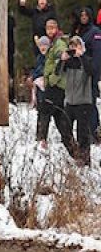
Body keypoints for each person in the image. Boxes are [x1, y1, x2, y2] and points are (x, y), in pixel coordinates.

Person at [41, 18, 77, 156]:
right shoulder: (52, 43)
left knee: (45, 111)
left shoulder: (59, 42)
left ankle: (41, 140)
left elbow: (61, 53)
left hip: (56, 85)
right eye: (47, 28)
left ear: (56, 28)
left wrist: (53, 77)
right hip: (57, 86)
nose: (50, 30)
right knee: (59, 117)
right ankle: (75, 152)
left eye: (52, 28)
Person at [60, 36, 95, 165]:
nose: (74, 49)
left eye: (77, 46)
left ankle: (85, 160)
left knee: (83, 133)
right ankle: (75, 154)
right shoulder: (68, 62)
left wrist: (81, 56)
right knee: (64, 130)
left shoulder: (86, 60)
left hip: (83, 102)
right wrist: (62, 59)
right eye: (72, 47)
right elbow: (58, 72)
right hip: (69, 101)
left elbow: (92, 71)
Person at [74, 7, 101, 140]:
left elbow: (97, 54)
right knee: (82, 104)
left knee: (90, 102)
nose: (83, 17)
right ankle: (85, 132)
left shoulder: (95, 32)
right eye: (81, 15)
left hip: (91, 71)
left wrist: (94, 71)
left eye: (86, 15)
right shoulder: (78, 30)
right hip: (79, 72)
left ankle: (94, 131)